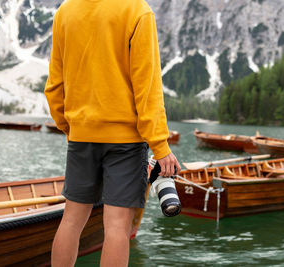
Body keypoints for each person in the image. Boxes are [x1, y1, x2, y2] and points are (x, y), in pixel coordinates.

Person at [44, 0, 181, 266]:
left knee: (71, 221)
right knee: (117, 227)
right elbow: (147, 85)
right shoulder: (137, 10)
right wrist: (160, 146)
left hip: (81, 135)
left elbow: (54, 84)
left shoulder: (65, 12)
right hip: (125, 140)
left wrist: (69, 126)